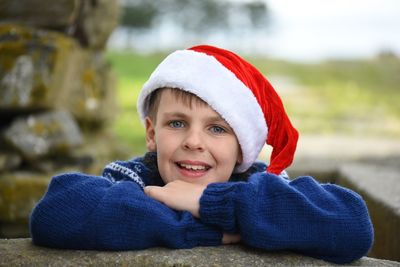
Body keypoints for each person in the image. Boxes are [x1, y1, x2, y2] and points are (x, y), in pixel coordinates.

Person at [30, 45, 373, 264]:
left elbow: (353, 225)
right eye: (177, 123)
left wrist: (212, 201)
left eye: (217, 129)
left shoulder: (260, 182)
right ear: (152, 134)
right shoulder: (136, 179)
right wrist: (204, 230)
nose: (194, 141)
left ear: (243, 146)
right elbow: (54, 213)